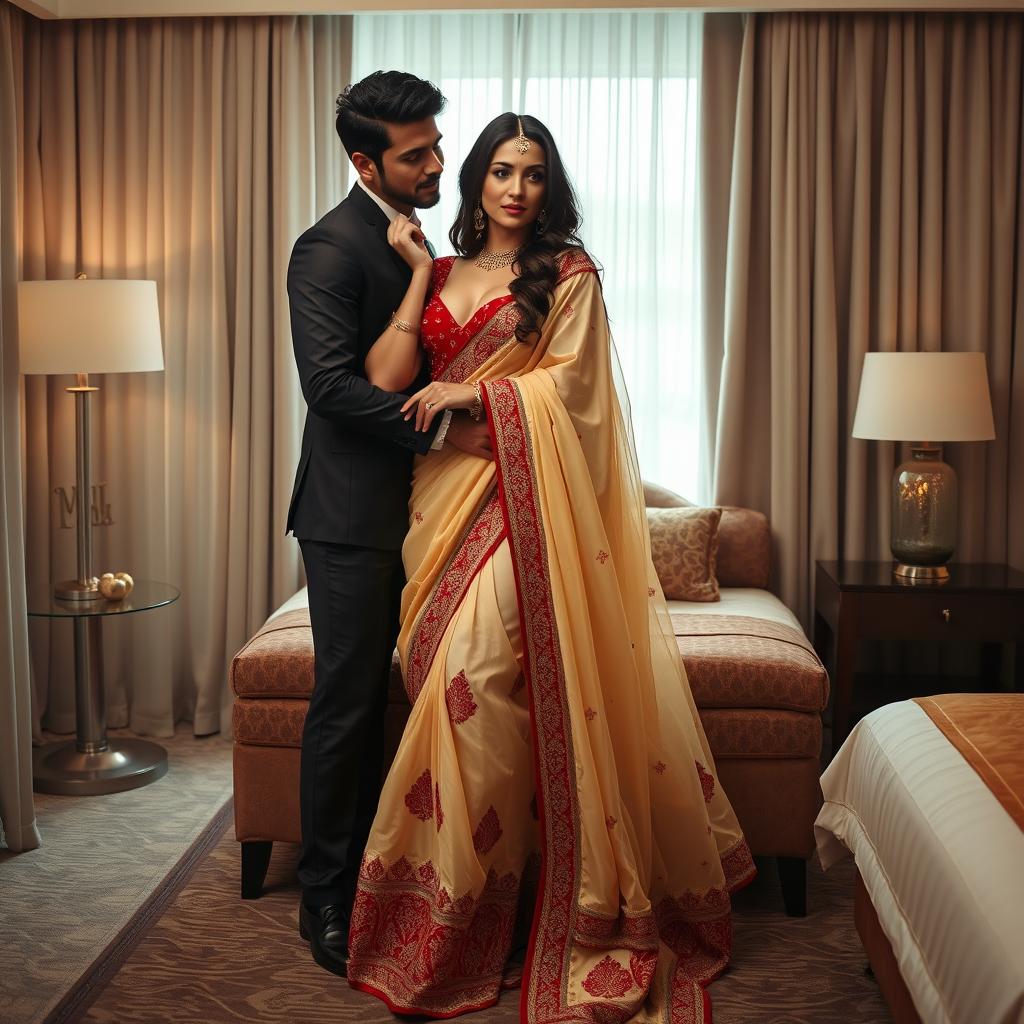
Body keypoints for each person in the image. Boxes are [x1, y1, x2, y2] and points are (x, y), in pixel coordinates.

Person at [344, 112, 755, 1022]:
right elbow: (380, 384)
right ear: (475, 181)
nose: (515, 190)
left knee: (472, 677)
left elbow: (575, 396)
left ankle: (476, 914)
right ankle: (478, 902)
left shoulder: (568, 278)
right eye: (499, 171)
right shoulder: (441, 272)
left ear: (548, 184)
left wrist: (475, 388)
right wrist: (416, 278)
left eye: (532, 174)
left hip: (519, 500)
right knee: (440, 673)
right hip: (435, 503)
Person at [286, 70, 491, 980]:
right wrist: (451, 422)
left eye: (438, 145)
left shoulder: (416, 240)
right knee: (349, 701)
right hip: (351, 520)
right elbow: (329, 391)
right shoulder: (328, 250)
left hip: (422, 515)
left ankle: (393, 872)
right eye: (418, 155)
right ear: (365, 161)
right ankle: (325, 897)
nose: (438, 163)